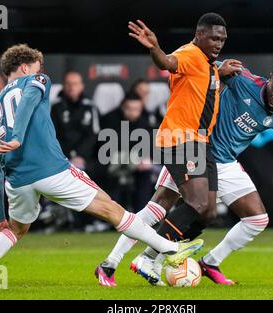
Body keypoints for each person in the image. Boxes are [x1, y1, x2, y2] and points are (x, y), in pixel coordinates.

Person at [0, 44, 203, 289]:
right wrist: (17, 136)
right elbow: (28, 99)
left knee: (14, 228)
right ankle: (170, 249)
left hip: (17, 181)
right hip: (51, 170)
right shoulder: (36, 80)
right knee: (112, 209)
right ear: (25, 68)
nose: (40, 72)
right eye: (37, 67)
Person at [95, 64, 273, 286]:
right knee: (159, 209)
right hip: (195, 149)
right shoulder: (243, 80)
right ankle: (113, 263)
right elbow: (200, 67)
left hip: (225, 163)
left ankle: (209, 263)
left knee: (256, 219)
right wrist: (218, 69)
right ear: (269, 79)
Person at [99, 13, 242, 285]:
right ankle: (151, 256)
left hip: (200, 143)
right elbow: (168, 62)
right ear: (199, 35)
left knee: (204, 211)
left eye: (222, 39)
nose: (219, 43)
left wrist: (218, 72)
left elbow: (201, 82)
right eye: (214, 37)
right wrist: (155, 47)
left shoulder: (208, 64)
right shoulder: (189, 53)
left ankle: (111, 263)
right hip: (181, 141)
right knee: (196, 203)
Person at [100, 92, 155, 212]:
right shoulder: (111, 120)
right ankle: (114, 216)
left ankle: (142, 217)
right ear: (123, 107)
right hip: (112, 162)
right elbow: (107, 149)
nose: (132, 112)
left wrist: (146, 157)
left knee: (147, 172)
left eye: (136, 109)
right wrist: (135, 160)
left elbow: (151, 143)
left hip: (137, 164)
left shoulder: (144, 122)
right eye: (129, 109)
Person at [51, 71, 100, 174]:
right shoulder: (55, 107)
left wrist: (80, 155)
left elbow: (93, 135)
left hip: (84, 157)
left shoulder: (90, 107)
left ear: (82, 86)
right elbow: (52, 135)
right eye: (68, 84)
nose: (71, 87)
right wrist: (68, 156)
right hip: (61, 156)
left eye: (75, 84)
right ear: (63, 86)